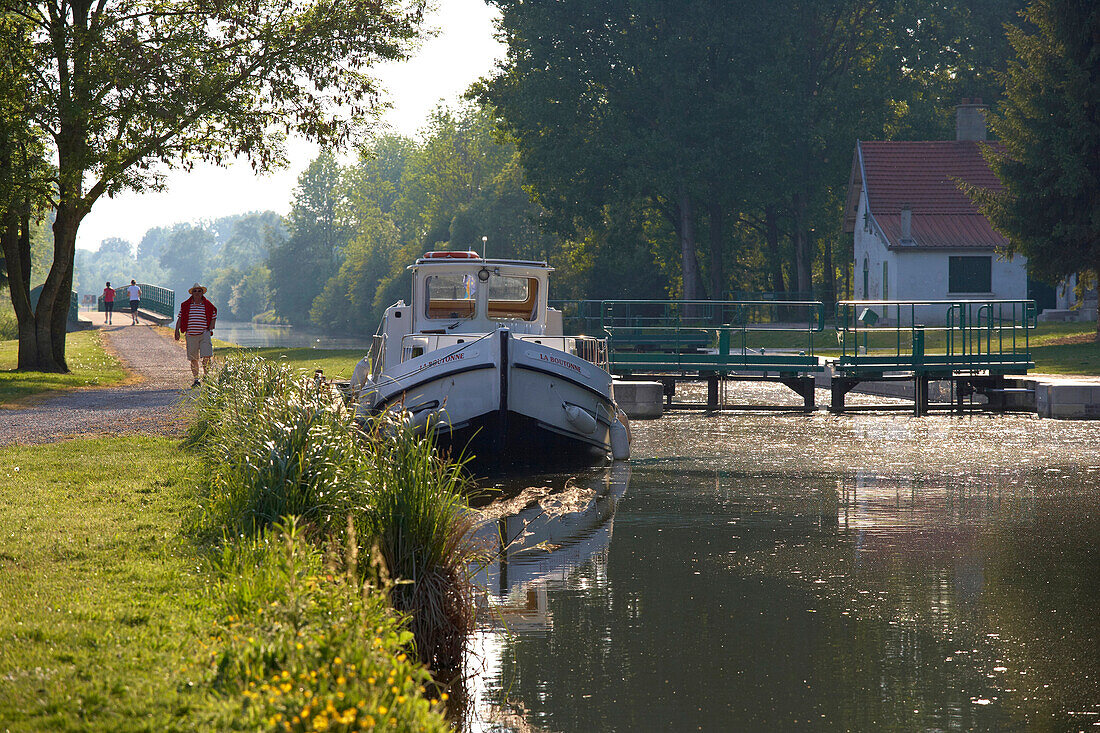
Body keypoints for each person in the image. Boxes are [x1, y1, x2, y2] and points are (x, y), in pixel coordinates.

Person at [174, 283, 217, 388]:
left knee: (207, 356)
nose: (197, 293)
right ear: (192, 293)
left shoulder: (207, 305)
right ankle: (196, 379)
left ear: (202, 293)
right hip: (191, 335)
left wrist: (210, 329)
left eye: (199, 291)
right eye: (195, 291)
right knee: (194, 358)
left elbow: (214, 315)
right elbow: (180, 318)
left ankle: (207, 377)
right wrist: (177, 330)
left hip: (204, 334)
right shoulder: (186, 305)